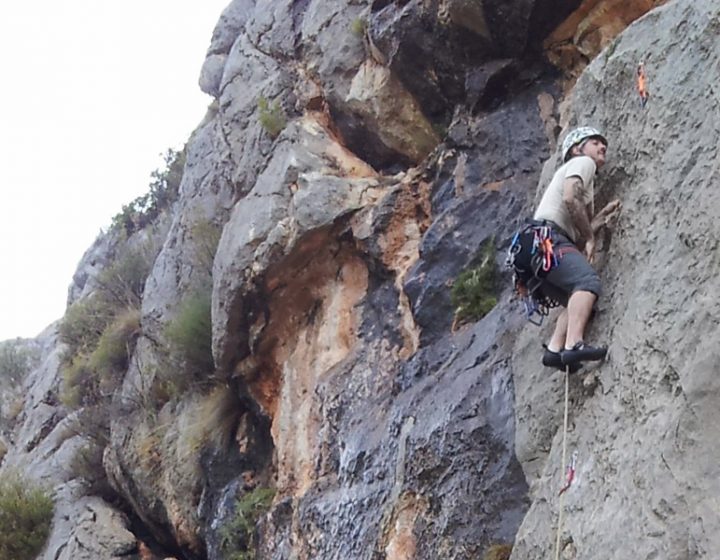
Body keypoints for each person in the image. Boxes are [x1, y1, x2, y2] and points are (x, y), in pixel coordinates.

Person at [532, 126, 621, 369]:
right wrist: (591, 237)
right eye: (594, 142)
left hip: (538, 250)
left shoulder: (584, 179)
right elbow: (570, 198)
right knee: (586, 283)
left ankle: (554, 350)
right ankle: (574, 345)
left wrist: (598, 220)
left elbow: (577, 231)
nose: (602, 146)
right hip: (548, 239)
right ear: (576, 149)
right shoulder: (583, 163)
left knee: (577, 300)